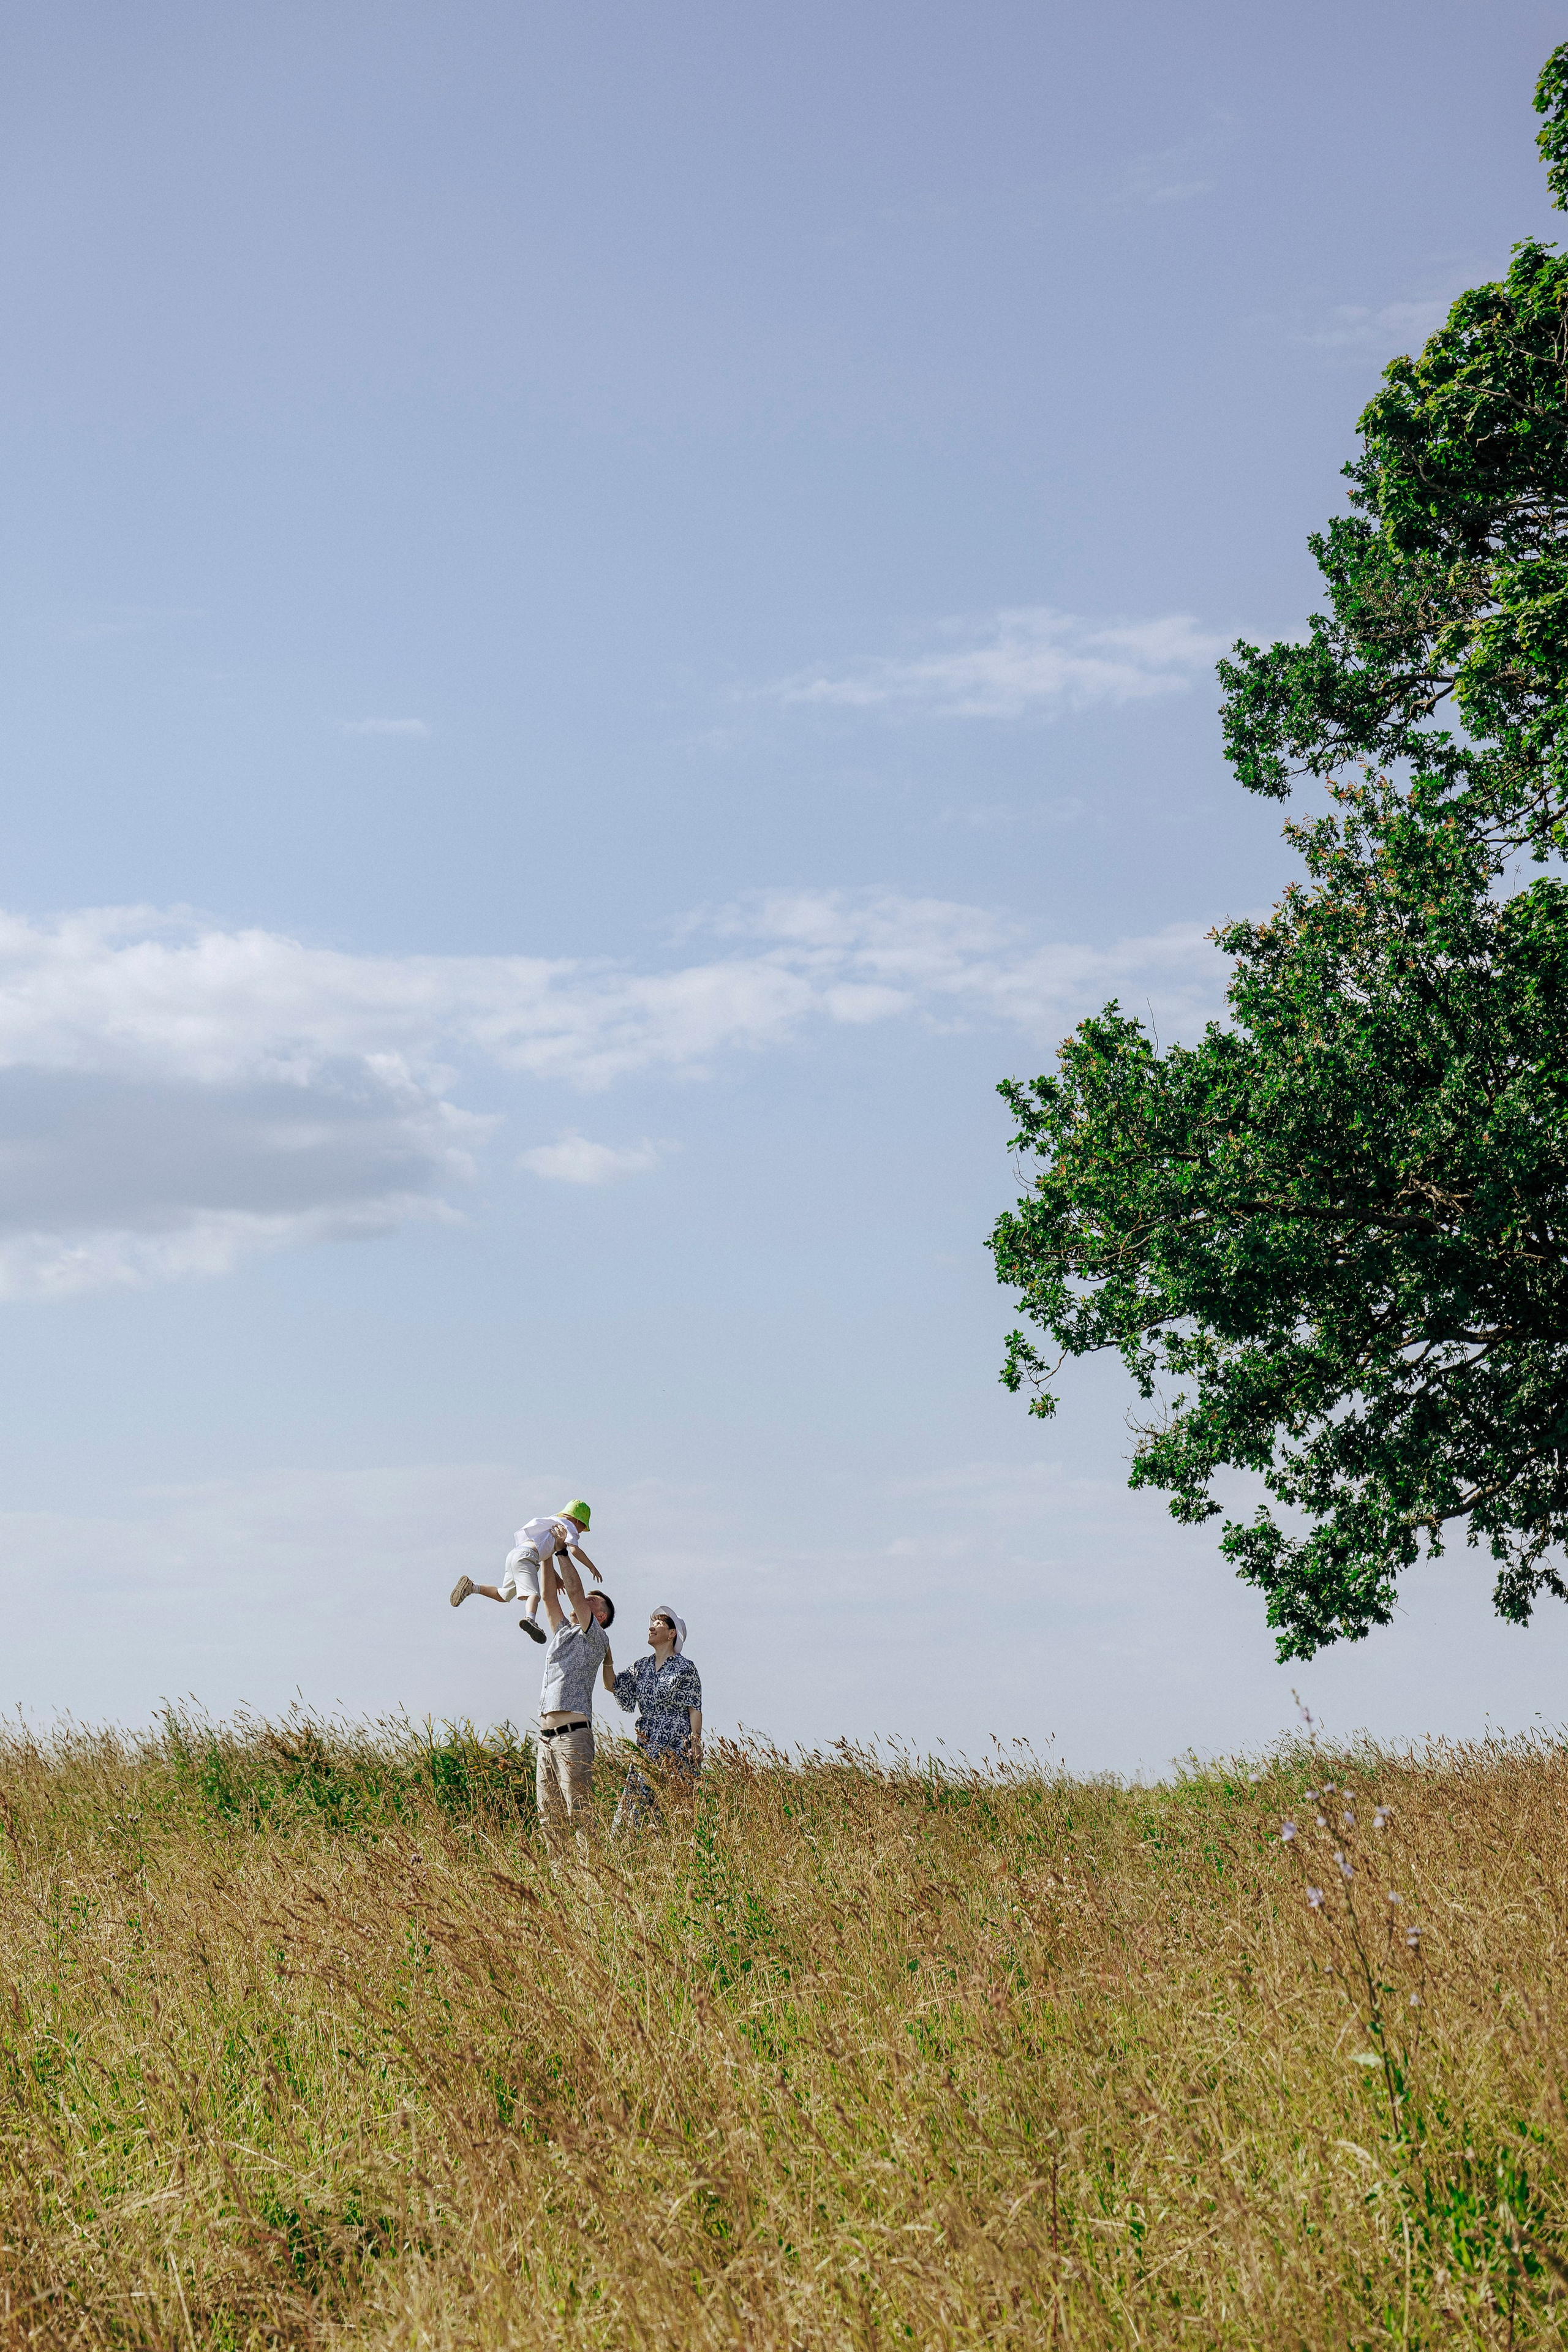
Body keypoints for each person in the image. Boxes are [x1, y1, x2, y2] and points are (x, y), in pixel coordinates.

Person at [533, 1547, 616, 1854]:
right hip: (545, 1739)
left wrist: (562, 1553)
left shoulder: (597, 1639)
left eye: (594, 1601)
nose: (583, 1600)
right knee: (549, 1819)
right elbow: (548, 1597)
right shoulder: (562, 1634)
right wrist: (544, 1553)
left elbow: (575, 1592)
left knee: (580, 1812)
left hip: (573, 1736)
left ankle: (591, 1878)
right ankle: (561, 1884)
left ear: (601, 1615)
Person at [448, 1500, 600, 1643]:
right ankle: (530, 1619)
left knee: (503, 1595)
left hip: (516, 1554)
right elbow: (574, 1550)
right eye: (583, 1527)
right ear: (577, 1521)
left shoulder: (553, 1523)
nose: (581, 1532)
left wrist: (558, 1579)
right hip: (527, 1558)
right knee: (533, 1595)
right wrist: (591, 1566)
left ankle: (473, 1587)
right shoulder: (569, 1527)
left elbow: (544, 1554)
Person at [609, 1605, 703, 1831]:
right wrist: (606, 1657)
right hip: (647, 1742)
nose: (652, 1627)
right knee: (638, 1798)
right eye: (652, 1624)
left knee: (671, 1801)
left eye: (659, 1624)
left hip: (675, 1744)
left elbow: (694, 1709)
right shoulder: (641, 1666)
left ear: (672, 1634)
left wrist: (696, 1743)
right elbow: (613, 1685)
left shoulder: (685, 1668)